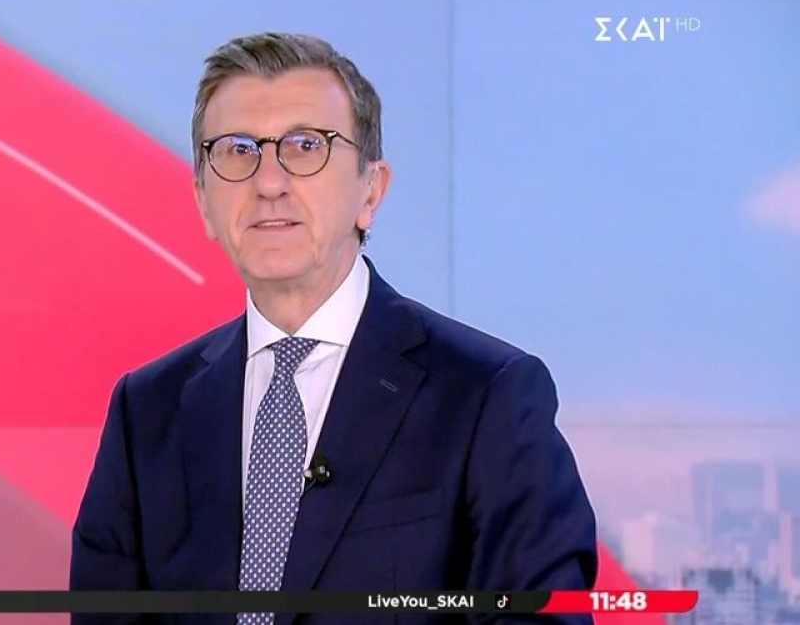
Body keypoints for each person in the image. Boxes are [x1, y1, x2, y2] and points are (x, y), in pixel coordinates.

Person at [70, 32, 597, 624]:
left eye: (305, 146)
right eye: (238, 151)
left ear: (371, 190)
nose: (269, 182)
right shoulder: (147, 410)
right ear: (203, 201)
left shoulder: (487, 394)